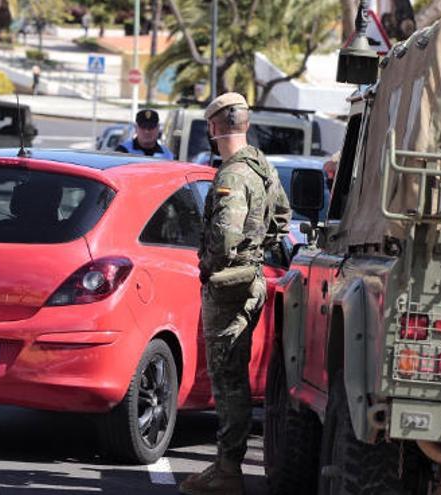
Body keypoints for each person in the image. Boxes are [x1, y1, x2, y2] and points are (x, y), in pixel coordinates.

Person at [179, 92, 290, 495]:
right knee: (234, 376)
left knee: (227, 380)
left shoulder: (231, 175)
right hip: (251, 279)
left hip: (229, 284)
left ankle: (228, 470)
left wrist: (210, 267)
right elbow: (282, 216)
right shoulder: (261, 166)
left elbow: (225, 237)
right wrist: (257, 251)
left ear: (214, 126)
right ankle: (227, 465)